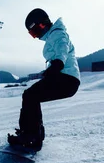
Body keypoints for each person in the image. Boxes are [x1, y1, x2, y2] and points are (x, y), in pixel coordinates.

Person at [7, 8, 81, 151]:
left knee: (30, 95)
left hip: (67, 79)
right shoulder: (53, 36)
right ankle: (32, 134)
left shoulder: (58, 33)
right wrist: (49, 70)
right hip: (65, 78)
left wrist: (58, 63)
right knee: (31, 96)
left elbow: (62, 48)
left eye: (35, 31)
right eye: (32, 34)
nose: (36, 36)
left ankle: (31, 137)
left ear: (43, 24)